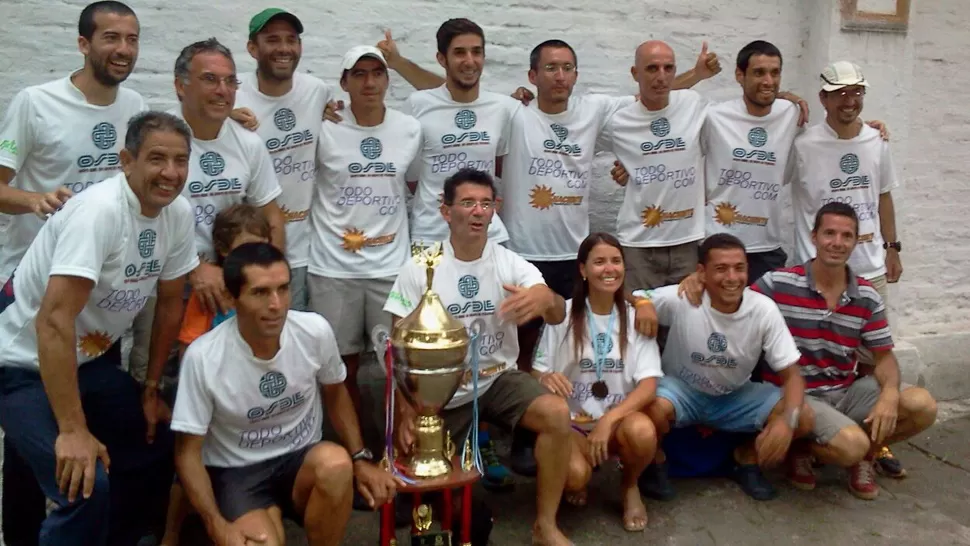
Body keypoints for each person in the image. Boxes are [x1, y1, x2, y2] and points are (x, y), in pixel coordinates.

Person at [501, 38, 714, 474]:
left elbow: (656, 90)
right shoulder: (513, 113)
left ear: (576, 76)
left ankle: (621, 436)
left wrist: (701, 75)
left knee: (579, 342)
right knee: (522, 355)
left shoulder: (595, 109)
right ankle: (524, 439)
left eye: (567, 68)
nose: (559, 76)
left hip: (572, 253)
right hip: (524, 251)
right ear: (531, 76)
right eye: (550, 68)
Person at [0, 111, 200, 546]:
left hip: (85, 363)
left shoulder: (178, 213)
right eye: (157, 159)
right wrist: (73, 430)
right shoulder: (98, 212)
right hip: (20, 366)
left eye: (181, 160)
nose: (170, 173)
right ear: (127, 161)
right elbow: (54, 321)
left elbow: (169, 302)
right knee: (83, 486)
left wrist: (150, 388)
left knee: (155, 445)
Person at [384, 168, 574, 546]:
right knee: (451, 510)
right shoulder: (422, 266)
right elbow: (396, 344)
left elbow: (557, 313)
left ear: (495, 210)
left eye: (486, 203)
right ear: (445, 211)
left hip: (497, 378)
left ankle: (546, 526)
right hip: (441, 394)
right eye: (468, 203)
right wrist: (406, 409)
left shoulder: (508, 262)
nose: (478, 211)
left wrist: (546, 299)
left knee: (555, 413)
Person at [171, 242, 401, 546]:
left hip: (299, 460)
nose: (276, 304)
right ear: (232, 297)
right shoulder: (203, 357)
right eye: (260, 292)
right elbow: (187, 452)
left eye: (283, 289)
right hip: (238, 473)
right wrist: (215, 523)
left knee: (336, 464)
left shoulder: (314, 331)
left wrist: (360, 458)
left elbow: (335, 392)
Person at [751, 203, 935, 499]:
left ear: (855, 242)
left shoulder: (866, 296)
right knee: (850, 445)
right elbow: (732, 302)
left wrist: (889, 395)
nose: (837, 243)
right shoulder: (779, 283)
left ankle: (865, 455)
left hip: (844, 392)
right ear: (814, 237)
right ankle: (806, 448)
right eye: (829, 233)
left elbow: (884, 358)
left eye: (846, 236)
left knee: (922, 405)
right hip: (798, 397)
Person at [789, 61, 907, 475]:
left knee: (874, 360)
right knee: (816, 359)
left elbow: (885, 197)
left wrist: (892, 248)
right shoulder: (803, 144)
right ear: (823, 98)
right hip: (819, 270)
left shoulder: (877, 140)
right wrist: (787, 102)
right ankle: (809, 439)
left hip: (869, 266)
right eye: (839, 93)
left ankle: (876, 446)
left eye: (856, 92)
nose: (849, 101)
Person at [634, 233, 814, 501]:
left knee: (804, 416)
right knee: (647, 405)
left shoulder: (764, 309)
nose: (732, 277)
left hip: (734, 395)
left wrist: (788, 423)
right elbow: (626, 295)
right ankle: (657, 462)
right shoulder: (683, 298)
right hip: (682, 392)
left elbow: (792, 376)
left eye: (739, 268)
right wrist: (642, 303)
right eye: (721, 269)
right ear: (701, 273)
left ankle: (747, 459)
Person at [308, 46, 421, 425]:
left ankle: (398, 444)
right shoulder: (322, 127)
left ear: (388, 80)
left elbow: (417, 183)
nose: (369, 82)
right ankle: (351, 449)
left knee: (399, 363)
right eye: (359, 74)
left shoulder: (408, 128)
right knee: (340, 366)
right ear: (344, 82)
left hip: (390, 267)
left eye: (377, 72)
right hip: (332, 268)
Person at [0, 1, 145, 285]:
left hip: (100, 276)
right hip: (33, 275)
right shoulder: (36, 102)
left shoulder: (135, 105)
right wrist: (35, 200)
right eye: (111, 37)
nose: (124, 50)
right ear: (84, 44)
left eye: (132, 40)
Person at [532, 232, 662, 532]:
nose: (609, 269)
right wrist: (545, 376)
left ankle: (629, 485)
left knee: (642, 431)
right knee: (575, 476)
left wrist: (608, 422)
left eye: (616, 261)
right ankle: (578, 477)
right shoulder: (562, 315)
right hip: (574, 424)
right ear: (582, 269)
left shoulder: (635, 316)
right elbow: (536, 371)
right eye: (599, 261)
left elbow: (648, 384)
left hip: (617, 424)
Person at [160, 203, 271, 546]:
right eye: (244, 248)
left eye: (261, 245)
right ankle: (171, 535)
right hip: (209, 391)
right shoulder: (209, 295)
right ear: (224, 251)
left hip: (250, 390)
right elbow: (189, 348)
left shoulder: (270, 291)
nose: (254, 256)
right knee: (192, 464)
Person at [171, 37, 286, 317]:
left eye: (230, 81)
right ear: (180, 86)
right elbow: (142, 216)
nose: (222, 90)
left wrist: (267, 276)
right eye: (210, 79)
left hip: (232, 284)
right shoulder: (159, 139)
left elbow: (271, 216)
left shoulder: (248, 143)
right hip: (168, 283)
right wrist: (194, 267)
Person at [234, 8, 334, 312]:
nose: (284, 48)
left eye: (292, 40)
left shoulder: (316, 91)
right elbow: (184, 118)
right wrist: (222, 114)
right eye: (272, 39)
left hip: (300, 245)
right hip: (245, 243)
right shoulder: (232, 93)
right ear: (253, 48)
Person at [402, 18, 520, 247]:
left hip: (489, 236)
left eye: (476, 52)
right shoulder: (417, 105)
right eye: (459, 53)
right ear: (441, 59)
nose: (469, 61)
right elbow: (411, 178)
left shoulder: (503, 108)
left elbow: (499, 167)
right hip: (431, 236)